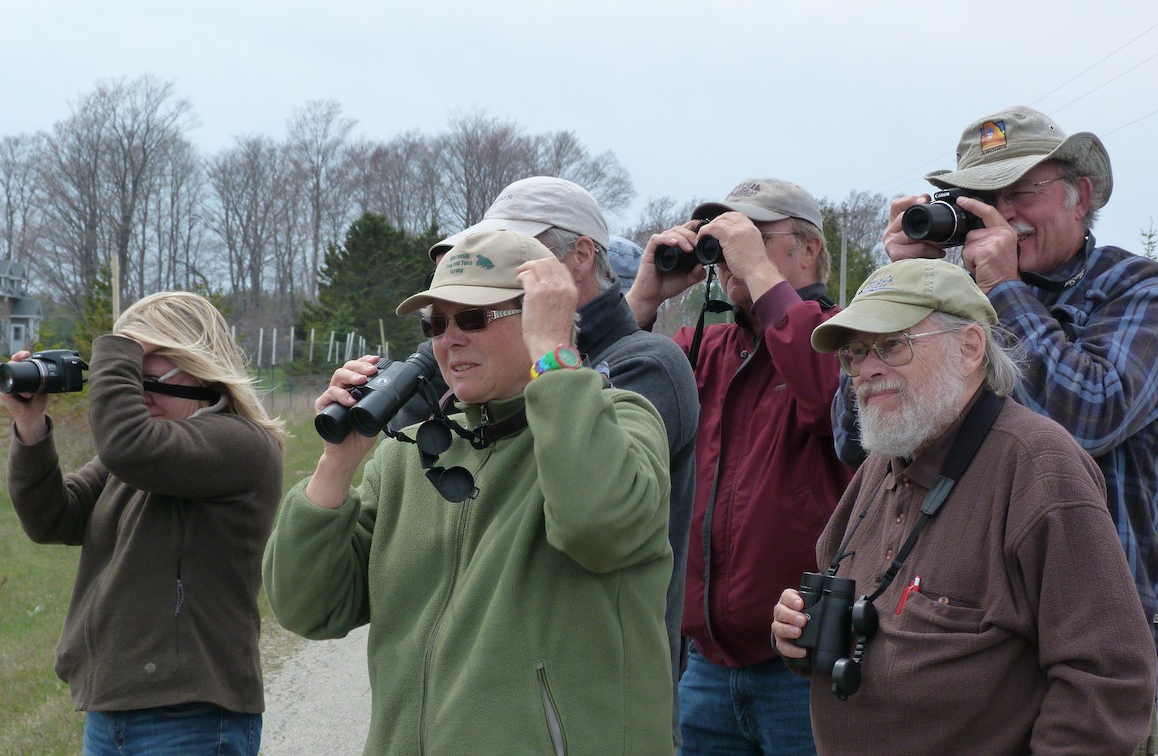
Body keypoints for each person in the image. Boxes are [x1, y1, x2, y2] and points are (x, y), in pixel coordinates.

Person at [836, 106, 1158, 755]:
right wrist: (897, 289)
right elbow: (855, 437)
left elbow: (1090, 417)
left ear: (1079, 195)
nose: (1001, 215)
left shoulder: (1141, 291)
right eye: (979, 199)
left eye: (1019, 191)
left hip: (1085, 663)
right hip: (954, 668)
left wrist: (1004, 289)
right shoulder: (949, 301)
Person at [263, 229, 677, 755]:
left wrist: (554, 356)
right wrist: (336, 463)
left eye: (473, 318)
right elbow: (308, 608)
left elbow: (597, 526)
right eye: (435, 322)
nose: (448, 339)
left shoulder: (617, 421)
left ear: (536, 318)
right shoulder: (407, 453)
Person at [773, 258, 1157, 755]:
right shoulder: (883, 460)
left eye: (892, 344)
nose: (867, 370)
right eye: (856, 353)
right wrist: (797, 634)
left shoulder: (1039, 467)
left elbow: (1110, 676)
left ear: (970, 348)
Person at [415, 176, 699, 746]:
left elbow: (595, 495)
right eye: (441, 321)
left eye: (524, 250)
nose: (501, 265)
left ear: (580, 255)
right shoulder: (519, 361)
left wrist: (551, 340)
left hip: (596, 691)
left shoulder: (649, 364)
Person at [625, 178, 854, 755]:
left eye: (752, 234)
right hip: (705, 663)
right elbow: (603, 398)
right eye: (725, 238)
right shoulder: (705, 347)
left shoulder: (850, 334)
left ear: (805, 249)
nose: (731, 251)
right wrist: (642, 300)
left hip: (804, 665)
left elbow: (832, 401)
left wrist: (761, 276)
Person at [4, 291, 286, 755]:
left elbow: (126, 444)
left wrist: (117, 347)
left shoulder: (240, 445)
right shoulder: (143, 457)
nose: (134, 395)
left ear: (199, 369)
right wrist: (31, 426)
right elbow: (53, 518)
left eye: (145, 378)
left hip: (190, 714)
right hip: (112, 709)